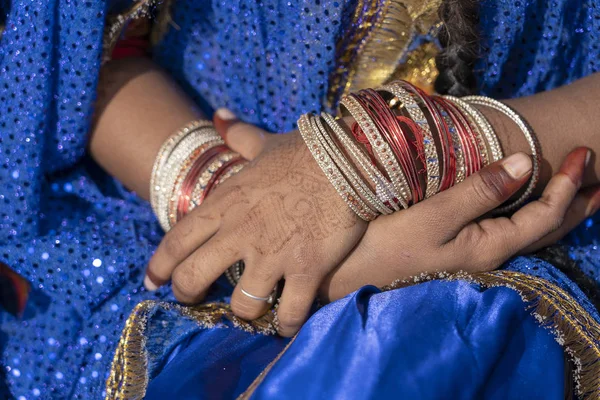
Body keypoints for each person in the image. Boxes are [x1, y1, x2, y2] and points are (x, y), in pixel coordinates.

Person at [0, 0, 599, 399]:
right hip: (173, 223)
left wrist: (405, 149)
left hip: (517, 239)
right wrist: (228, 201)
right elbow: (69, 48)